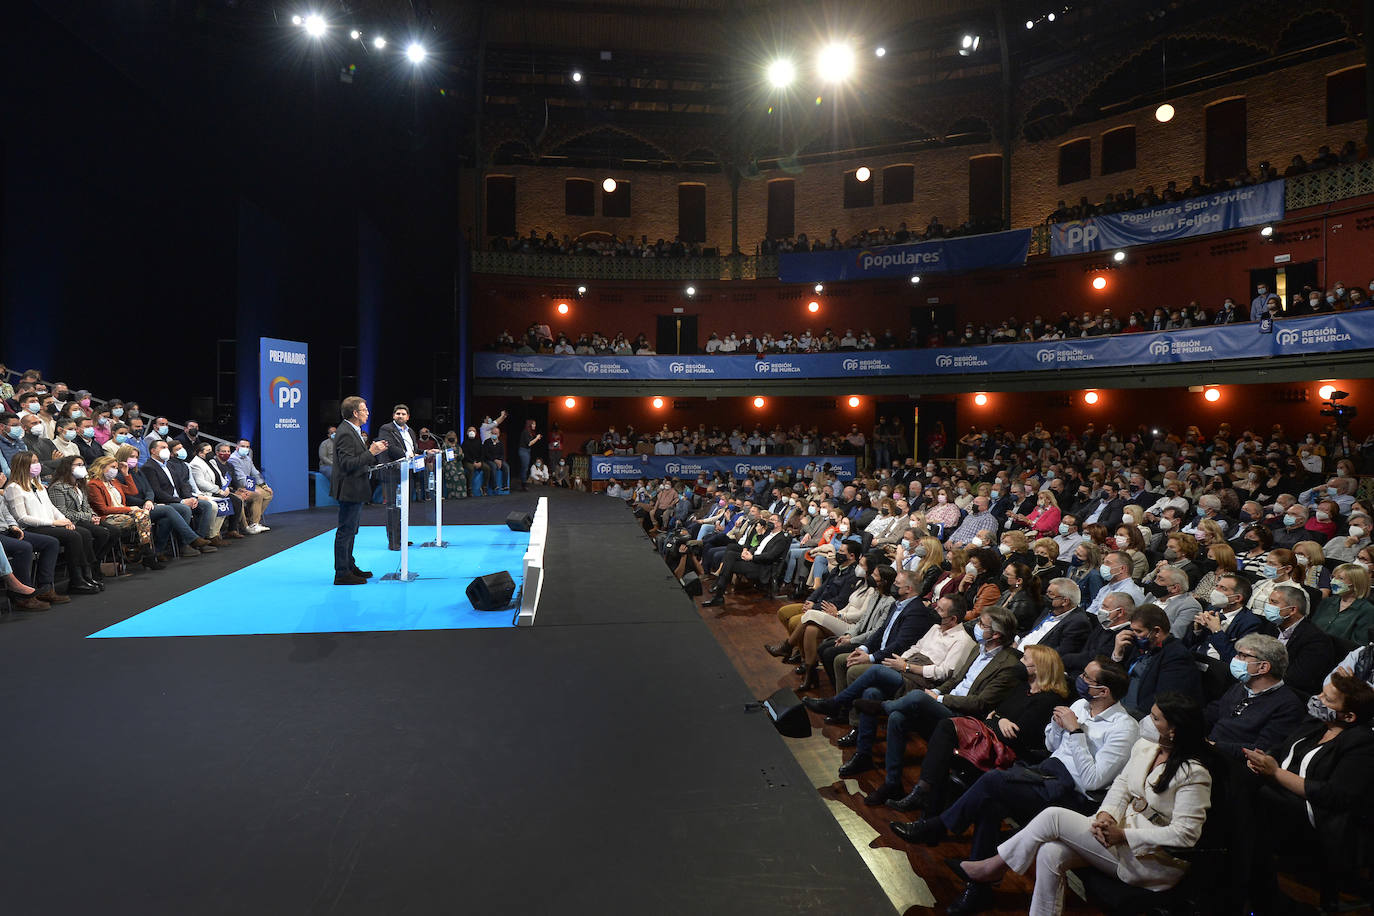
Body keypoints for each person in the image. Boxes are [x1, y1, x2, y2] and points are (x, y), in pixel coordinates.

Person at [890, 656, 1139, 913]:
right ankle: (978, 889)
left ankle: (939, 827)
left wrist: (1075, 732)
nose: (1080, 680)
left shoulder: (1124, 729)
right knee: (992, 803)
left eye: (1087, 678)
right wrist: (1056, 727)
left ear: (1103, 691)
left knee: (994, 780)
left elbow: (1092, 781)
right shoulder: (1080, 705)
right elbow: (1053, 748)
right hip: (1046, 773)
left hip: (1071, 794)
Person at [955, 693, 1212, 916]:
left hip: (1151, 861)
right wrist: (1107, 815)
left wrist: (1124, 835)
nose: (1147, 721)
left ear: (1173, 730)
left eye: (1155, 719)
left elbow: (1185, 834)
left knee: (1052, 816)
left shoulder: (1194, 773)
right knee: (1050, 852)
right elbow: (1121, 786)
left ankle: (993, 867)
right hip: (1114, 836)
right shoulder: (1146, 747)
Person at [1242, 673, 1374, 914]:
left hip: (1320, 815)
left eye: (1328, 699)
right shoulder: (1315, 724)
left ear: (1349, 716)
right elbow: (1283, 748)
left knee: (1252, 796)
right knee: (1242, 780)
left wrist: (1274, 773)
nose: (1318, 699)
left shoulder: (1362, 743)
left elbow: (1333, 795)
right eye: (1322, 693)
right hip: (1283, 797)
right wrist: (1264, 759)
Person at [888, 643, 1070, 815]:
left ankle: (924, 796)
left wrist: (997, 720)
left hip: (1004, 752)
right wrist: (1000, 720)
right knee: (906, 720)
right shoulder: (1022, 687)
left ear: (1039, 668)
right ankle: (922, 800)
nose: (1019, 663)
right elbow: (993, 715)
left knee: (942, 725)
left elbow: (1015, 735)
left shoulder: (1048, 700)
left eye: (1024, 660)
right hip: (985, 735)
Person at [3, 451, 101, 594]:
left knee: (83, 533)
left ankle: (88, 575)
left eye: (37, 461)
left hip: (50, 524)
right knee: (73, 536)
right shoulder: (14, 488)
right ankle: (76, 580)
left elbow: (51, 507)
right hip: (31, 528)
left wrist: (64, 520)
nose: (37, 465)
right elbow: (22, 518)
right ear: (22, 466)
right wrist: (54, 522)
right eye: (33, 462)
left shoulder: (39, 485)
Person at [330, 396, 389, 585]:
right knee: (346, 530)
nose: (367, 413)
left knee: (351, 530)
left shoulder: (353, 430)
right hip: (349, 488)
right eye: (364, 410)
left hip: (355, 486)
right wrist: (371, 452)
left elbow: (358, 459)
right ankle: (341, 573)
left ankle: (349, 565)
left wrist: (373, 453)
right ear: (355, 413)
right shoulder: (346, 432)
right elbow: (348, 464)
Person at [228, 439, 274, 533]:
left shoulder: (248, 458)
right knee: (258, 494)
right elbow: (241, 479)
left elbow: (255, 473)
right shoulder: (233, 459)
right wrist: (253, 489)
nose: (245, 449)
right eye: (243, 446)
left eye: (247, 447)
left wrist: (264, 485)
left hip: (249, 485)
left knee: (268, 493)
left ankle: (252, 520)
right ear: (237, 447)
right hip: (238, 486)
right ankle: (253, 523)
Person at [517, 419, 542, 491]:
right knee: (524, 468)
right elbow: (529, 443)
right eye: (533, 424)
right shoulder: (525, 432)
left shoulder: (529, 432)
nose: (535, 425)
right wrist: (536, 438)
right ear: (530, 425)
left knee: (525, 467)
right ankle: (523, 485)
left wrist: (536, 438)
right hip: (523, 451)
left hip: (527, 451)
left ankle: (523, 483)